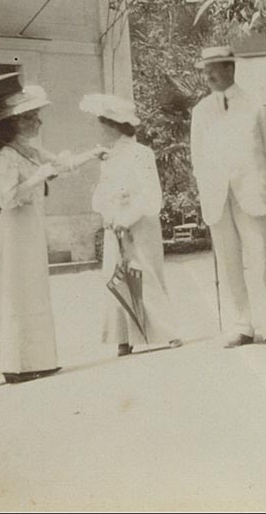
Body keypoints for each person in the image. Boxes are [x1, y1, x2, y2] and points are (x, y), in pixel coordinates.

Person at [0, 85, 105, 384]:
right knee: (15, 291)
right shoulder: (5, 157)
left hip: (32, 227)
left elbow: (63, 164)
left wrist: (93, 154)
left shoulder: (32, 151)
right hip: (14, 230)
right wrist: (38, 177)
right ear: (17, 122)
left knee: (33, 289)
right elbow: (5, 198)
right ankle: (13, 364)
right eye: (33, 117)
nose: (39, 122)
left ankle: (36, 360)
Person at [189, 46, 266, 353]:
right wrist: (208, 186)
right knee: (229, 261)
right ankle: (241, 326)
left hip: (250, 194)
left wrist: (261, 185)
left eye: (214, 69)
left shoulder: (256, 105)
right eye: (205, 70)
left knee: (259, 260)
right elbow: (197, 156)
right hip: (217, 197)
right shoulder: (201, 111)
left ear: (230, 69)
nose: (207, 75)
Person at [80, 93, 182, 357]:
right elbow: (103, 192)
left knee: (145, 273)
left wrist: (127, 218)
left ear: (112, 124)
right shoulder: (109, 157)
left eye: (101, 123)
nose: (99, 129)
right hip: (116, 224)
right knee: (117, 274)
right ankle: (123, 337)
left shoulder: (140, 153)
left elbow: (150, 194)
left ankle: (167, 331)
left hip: (140, 224)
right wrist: (110, 214)